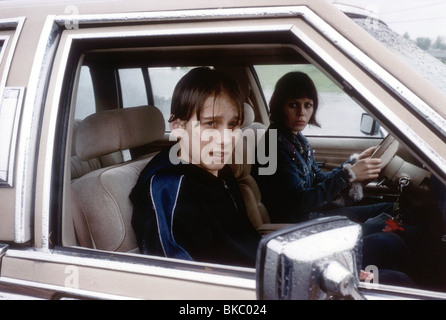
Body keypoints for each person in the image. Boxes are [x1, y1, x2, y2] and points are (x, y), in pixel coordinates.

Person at [129, 67, 261, 268]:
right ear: (178, 127)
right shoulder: (168, 190)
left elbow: (242, 240)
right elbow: (185, 280)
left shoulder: (219, 169)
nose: (225, 139)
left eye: (233, 124)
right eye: (210, 124)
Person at [252, 71, 394, 232]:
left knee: (390, 209)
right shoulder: (272, 145)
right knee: (391, 228)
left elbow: (318, 179)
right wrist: (349, 174)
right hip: (299, 225)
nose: (301, 113)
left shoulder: (295, 138)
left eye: (308, 105)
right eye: (293, 105)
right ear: (279, 106)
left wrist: (354, 164)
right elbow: (300, 202)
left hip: (312, 214)